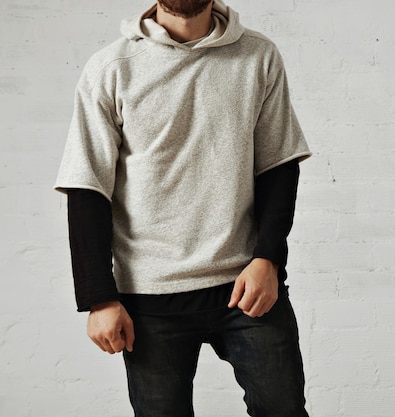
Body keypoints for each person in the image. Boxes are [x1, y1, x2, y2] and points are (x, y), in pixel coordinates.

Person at [54, 0, 311, 415]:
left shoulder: (257, 55)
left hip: (247, 284)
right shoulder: (111, 67)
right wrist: (99, 298)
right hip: (150, 297)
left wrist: (269, 260)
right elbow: (88, 187)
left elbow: (278, 165)